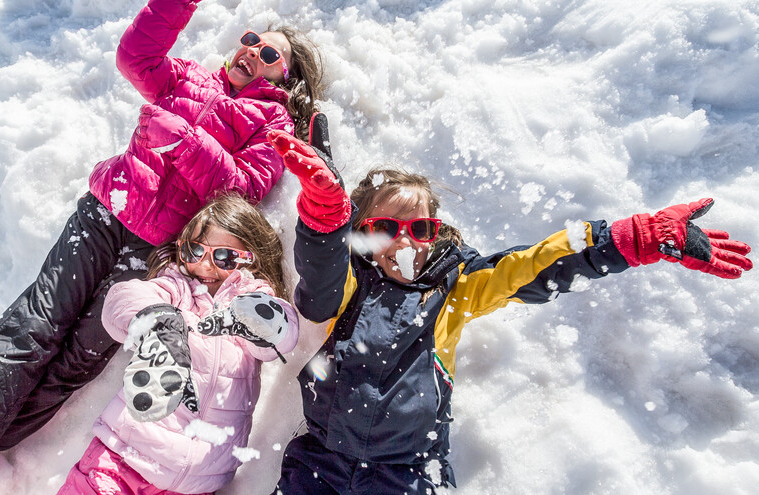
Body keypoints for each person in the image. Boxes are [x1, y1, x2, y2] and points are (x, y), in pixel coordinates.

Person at [0, 0, 325, 492]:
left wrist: (183, 141)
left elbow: (242, 191)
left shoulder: (273, 126)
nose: (252, 50)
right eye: (250, 39)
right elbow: (136, 57)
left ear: (285, 78)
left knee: (77, 359)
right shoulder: (187, 79)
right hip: (106, 212)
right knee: (30, 330)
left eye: (269, 53)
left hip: (157, 251)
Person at [263, 120, 754, 494]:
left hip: (409, 472)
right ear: (362, 235)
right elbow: (320, 275)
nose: (404, 244)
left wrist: (631, 239)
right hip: (319, 463)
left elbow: (536, 266)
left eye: (421, 230)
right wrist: (324, 215)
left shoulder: (454, 286)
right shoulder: (353, 281)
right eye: (386, 229)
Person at [57, 194, 299, 495]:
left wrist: (256, 314)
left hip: (199, 481)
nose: (205, 265)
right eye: (194, 250)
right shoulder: (178, 288)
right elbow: (123, 300)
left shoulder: (251, 307)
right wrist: (156, 319)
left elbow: (281, 337)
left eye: (223, 257)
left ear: (250, 259)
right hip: (123, 458)